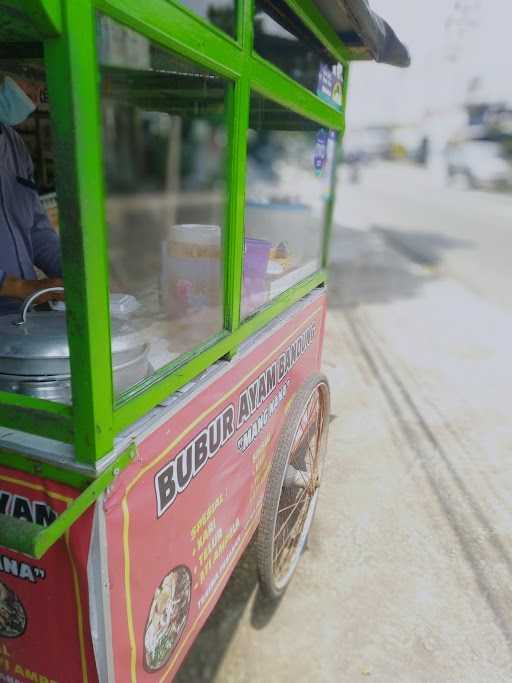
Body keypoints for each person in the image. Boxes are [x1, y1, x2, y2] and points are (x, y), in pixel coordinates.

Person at [0, 73, 63, 316]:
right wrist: (21, 287)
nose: (36, 95)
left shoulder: (15, 144)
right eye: (29, 79)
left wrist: (74, 273)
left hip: (21, 316)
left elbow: (36, 229)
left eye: (41, 86)